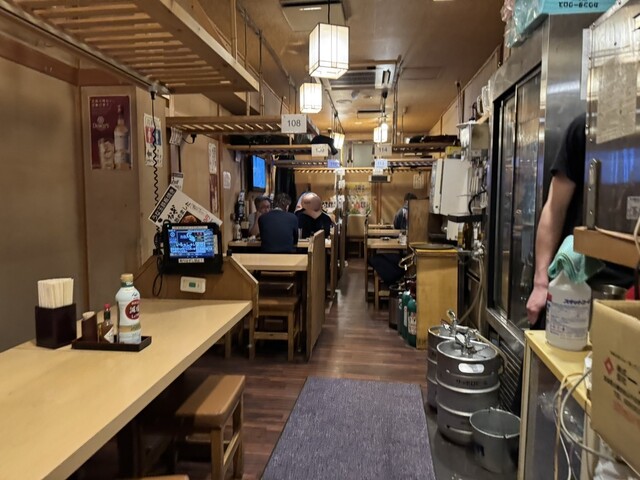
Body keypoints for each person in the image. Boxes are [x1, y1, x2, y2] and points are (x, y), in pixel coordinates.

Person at [525, 114, 631, 327]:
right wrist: (541, 283)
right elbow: (555, 208)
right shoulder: (586, 127)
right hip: (574, 285)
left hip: (630, 294)